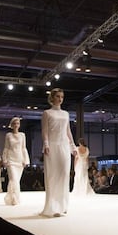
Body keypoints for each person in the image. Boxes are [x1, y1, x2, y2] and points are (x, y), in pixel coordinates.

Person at [40, 88, 77, 217]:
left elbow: (68, 131)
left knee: (65, 174)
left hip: (64, 146)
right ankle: (53, 207)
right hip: (52, 146)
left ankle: (63, 205)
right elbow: (44, 131)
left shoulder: (66, 114)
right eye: (57, 96)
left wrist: (73, 146)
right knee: (52, 175)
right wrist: (46, 144)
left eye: (62, 96)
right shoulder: (47, 113)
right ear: (52, 98)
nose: (60, 99)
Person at [2, 117, 30, 205]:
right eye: (14, 123)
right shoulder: (8, 135)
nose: (16, 125)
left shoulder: (22, 135)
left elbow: (23, 148)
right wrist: (4, 159)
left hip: (19, 160)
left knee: (15, 180)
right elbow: (6, 147)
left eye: (18, 123)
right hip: (11, 160)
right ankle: (15, 199)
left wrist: (26, 160)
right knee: (13, 179)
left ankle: (10, 197)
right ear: (12, 125)